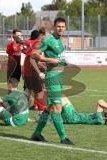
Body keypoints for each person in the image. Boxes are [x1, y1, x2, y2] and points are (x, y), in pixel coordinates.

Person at [30, 17, 73, 145]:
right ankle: (63, 138)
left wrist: (63, 62)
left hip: (59, 76)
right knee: (57, 108)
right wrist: (49, 60)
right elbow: (34, 54)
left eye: (63, 27)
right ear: (54, 27)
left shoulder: (60, 41)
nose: (61, 29)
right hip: (52, 77)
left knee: (49, 107)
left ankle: (37, 133)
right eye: (58, 26)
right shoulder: (48, 39)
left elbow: (57, 58)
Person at [22, 29, 46, 114]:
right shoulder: (38, 44)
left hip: (26, 70)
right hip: (32, 71)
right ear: (41, 35)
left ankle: (22, 112)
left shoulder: (34, 43)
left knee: (28, 91)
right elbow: (32, 58)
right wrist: (39, 71)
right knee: (39, 91)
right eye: (45, 36)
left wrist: (41, 65)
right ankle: (41, 113)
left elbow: (29, 55)